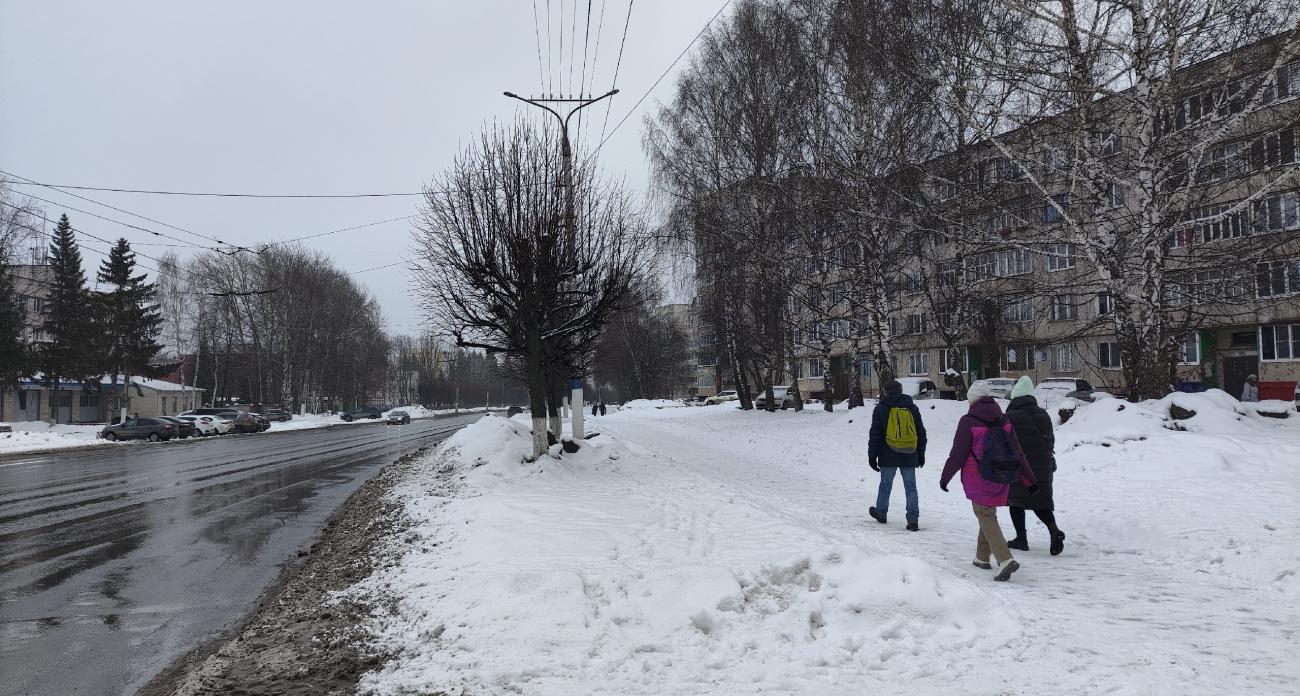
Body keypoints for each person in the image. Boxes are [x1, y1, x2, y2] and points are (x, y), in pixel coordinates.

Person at [939, 380, 1038, 581]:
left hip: (978, 477)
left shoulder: (968, 421)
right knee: (988, 513)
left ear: (973, 399)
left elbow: (958, 454)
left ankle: (1004, 559)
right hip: (1002, 475)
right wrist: (1030, 480)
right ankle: (982, 557)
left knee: (985, 514)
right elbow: (1018, 453)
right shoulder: (1004, 419)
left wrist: (945, 477)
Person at [1004, 376, 1066, 555]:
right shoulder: (1043, 414)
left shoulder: (1010, 416)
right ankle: (1054, 530)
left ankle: (1021, 538)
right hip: (1042, 464)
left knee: (1015, 500)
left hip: (1019, 464)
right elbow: (1050, 441)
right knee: (1041, 500)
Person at [867, 380, 927, 531]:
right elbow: (920, 432)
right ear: (901, 390)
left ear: (885, 393)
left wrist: (872, 456)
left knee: (885, 485)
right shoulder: (911, 407)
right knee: (911, 487)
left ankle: (881, 513)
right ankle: (913, 519)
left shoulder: (881, 409)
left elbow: (875, 434)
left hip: (888, 453)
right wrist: (921, 454)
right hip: (910, 453)